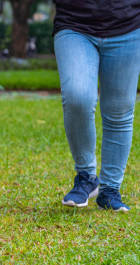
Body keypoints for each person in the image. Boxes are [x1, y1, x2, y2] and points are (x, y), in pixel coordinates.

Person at [54, 1, 140, 212]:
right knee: (77, 97)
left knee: (119, 110)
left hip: (128, 25)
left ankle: (110, 190)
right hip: (74, 24)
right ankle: (86, 177)